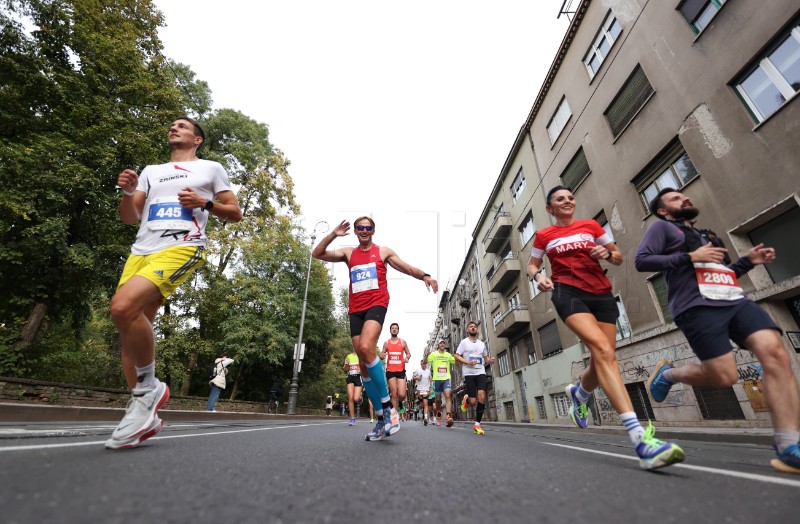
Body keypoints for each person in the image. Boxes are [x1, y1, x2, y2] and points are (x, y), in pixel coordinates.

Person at [636, 188, 800, 474]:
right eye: (675, 198)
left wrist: (749, 260)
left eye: (684, 195)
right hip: (696, 307)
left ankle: (789, 446)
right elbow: (643, 260)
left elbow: (723, 273)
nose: (684, 198)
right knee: (724, 377)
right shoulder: (661, 228)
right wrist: (689, 257)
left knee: (776, 354)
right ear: (662, 210)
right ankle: (668, 374)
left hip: (733, 300)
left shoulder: (708, 236)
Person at [107, 116, 243, 450]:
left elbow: (235, 212)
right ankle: (141, 412)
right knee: (130, 330)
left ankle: (148, 390)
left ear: (197, 139)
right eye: (171, 125)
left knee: (121, 308)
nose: (173, 128)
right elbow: (130, 217)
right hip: (141, 251)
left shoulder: (210, 169)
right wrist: (127, 191)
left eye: (182, 126)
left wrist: (205, 203)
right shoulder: (151, 171)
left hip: (182, 246)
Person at [526, 185, 684, 470]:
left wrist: (606, 254)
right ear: (550, 208)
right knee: (602, 351)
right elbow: (532, 264)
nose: (567, 201)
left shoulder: (590, 226)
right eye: (560, 199)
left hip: (600, 293)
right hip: (567, 292)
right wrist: (539, 276)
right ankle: (641, 441)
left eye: (571, 197)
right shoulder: (544, 235)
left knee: (605, 358)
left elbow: (618, 256)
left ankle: (581, 393)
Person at [312, 217, 438, 442]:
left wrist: (425, 276)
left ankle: (389, 409)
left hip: (376, 304)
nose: (363, 231)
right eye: (359, 228)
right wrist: (333, 234)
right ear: (356, 231)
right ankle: (381, 420)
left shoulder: (382, 252)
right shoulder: (348, 253)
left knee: (366, 346)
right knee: (363, 364)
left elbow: (406, 267)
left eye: (367, 228)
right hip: (355, 309)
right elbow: (317, 253)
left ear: (373, 230)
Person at [454, 321, 496, 435]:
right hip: (469, 373)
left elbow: (486, 358)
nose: (473, 328)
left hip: (480, 371)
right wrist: (467, 362)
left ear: (477, 330)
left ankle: (477, 424)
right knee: (472, 401)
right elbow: (456, 355)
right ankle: (466, 399)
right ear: (467, 330)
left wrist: (489, 360)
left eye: (474, 327)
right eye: (470, 327)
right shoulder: (464, 342)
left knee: (482, 395)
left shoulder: (482, 344)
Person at [380, 322, 412, 413]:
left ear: (398, 330)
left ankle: (400, 402)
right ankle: (395, 417)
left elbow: (409, 353)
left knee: (401, 395)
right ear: (390, 330)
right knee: (394, 394)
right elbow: (382, 354)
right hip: (390, 371)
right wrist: (382, 355)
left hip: (401, 371)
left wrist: (407, 357)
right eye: (392, 328)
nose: (394, 329)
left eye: (396, 328)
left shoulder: (402, 342)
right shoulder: (386, 343)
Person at [428, 340, 456, 427]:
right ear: (438, 345)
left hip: (446, 378)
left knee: (448, 395)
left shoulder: (448, 355)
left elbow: (456, 362)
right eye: (441, 343)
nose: (442, 344)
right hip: (437, 379)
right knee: (438, 400)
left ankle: (448, 417)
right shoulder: (434, 354)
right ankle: (439, 415)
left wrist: (459, 357)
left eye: (444, 343)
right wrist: (427, 355)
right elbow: (427, 361)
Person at [343, 351, 364, 426]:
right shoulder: (349, 356)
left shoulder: (361, 356)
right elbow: (345, 369)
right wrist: (346, 365)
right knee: (350, 398)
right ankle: (352, 418)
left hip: (358, 378)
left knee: (356, 399)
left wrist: (361, 369)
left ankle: (360, 398)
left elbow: (365, 369)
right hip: (350, 377)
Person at [413, 359, 433, 426]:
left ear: (426, 364)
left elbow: (430, 379)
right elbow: (413, 377)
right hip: (419, 389)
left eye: (424, 364)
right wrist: (417, 378)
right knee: (421, 405)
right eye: (422, 364)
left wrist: (430, 387)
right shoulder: (418, 370)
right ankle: (420, 410)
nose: (423, 365)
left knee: (425, 403)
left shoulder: (428, 371)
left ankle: (426, 418)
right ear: (420, 364)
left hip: (426, 389)